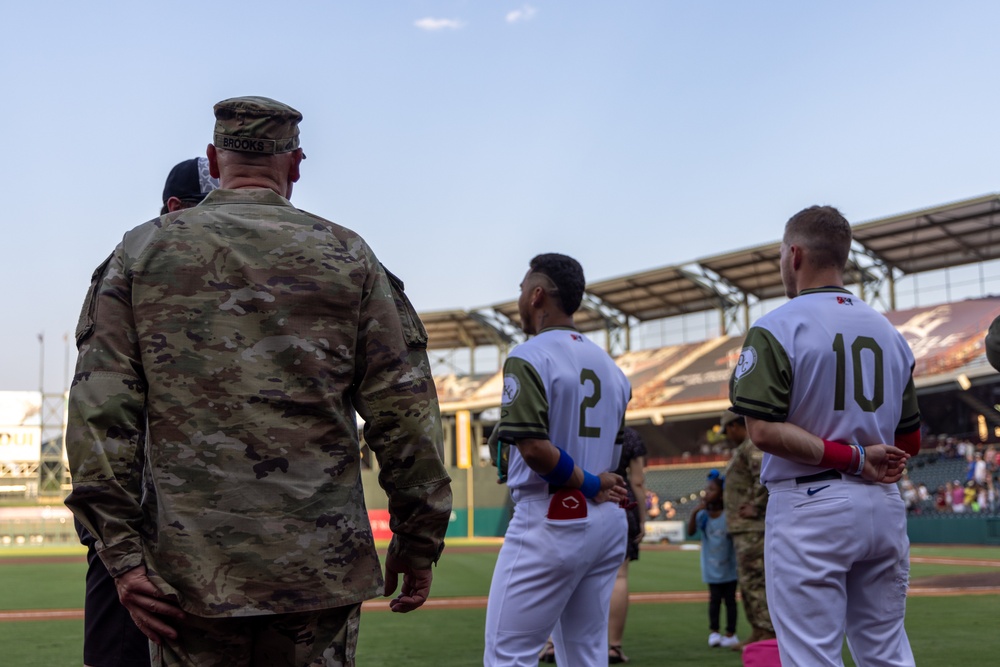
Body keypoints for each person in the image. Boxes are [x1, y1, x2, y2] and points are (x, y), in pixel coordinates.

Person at [64, 96, 452, 667]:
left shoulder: (141, 253)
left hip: (189, 576)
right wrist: (418, 541)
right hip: (317, 575)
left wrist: (121, 557)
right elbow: (406, 417)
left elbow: (100, 417)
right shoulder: (349, 257)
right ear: (296, 164)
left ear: (213, 159)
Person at [729, 205, 919, 666]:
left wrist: (852, 456)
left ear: (794, 254)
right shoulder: (890, 333)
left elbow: (762, 431)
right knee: (886, 650)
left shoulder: (776, 325)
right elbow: (908, 442)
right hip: (883, 503)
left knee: (811, 655)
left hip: (810, 505)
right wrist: (866, 456)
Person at [73, 156, 219, 667]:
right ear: (174, 209)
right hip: (144, 533)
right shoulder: (133, 271)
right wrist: (115, 544)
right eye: (210, 208)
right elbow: (99, 415)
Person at [483, 253, 632, 667]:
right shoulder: (614, 368)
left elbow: (534, 449)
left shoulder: (529, 354)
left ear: (536, 295)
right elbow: (613, 457)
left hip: (551, 514)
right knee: (585, 655)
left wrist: (586, 483)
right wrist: (595, 483)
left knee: (507, 655)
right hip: (605, 523)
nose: (518, 299)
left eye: (520, 290)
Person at [720, 410, 775, 650]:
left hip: (753, 528)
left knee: (755, 580)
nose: (727, 435)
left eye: (727, 430)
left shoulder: (753, 444)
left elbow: (763, 475)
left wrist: (756, 504)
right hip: (745, 528)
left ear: (735, 425)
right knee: (749, 581)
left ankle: (767, 632)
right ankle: (758, 629)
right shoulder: (747, 445)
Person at [686, 471, 739, 649]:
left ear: (722, 493)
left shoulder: (728, 515)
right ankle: (714, 632)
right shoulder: (703, 516)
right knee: (714, 600)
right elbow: (691, 532)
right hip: (711, 567)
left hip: (729, 567)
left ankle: (731, 633)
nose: (707, 492)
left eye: (712, 489)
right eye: (706, 489)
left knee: (730, 600)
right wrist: (694, 512)